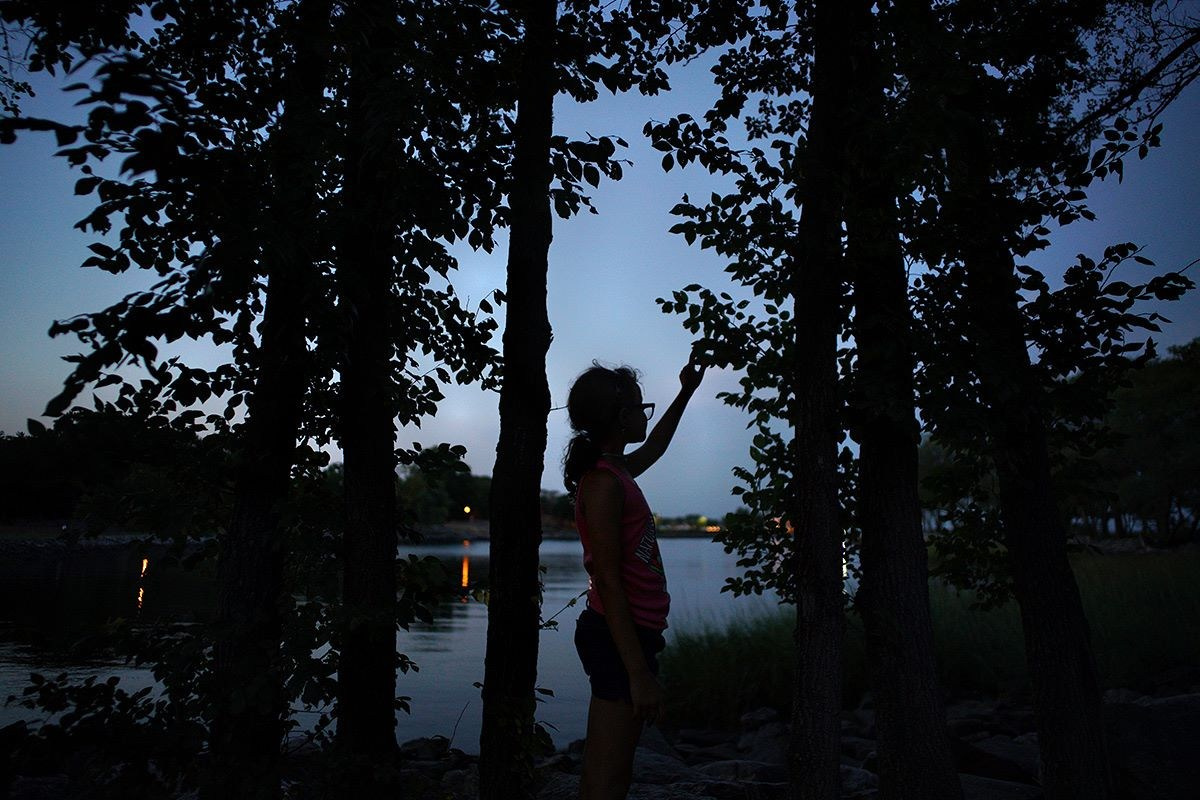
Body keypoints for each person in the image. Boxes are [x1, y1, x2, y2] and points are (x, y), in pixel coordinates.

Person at [563, 355, 706, 800]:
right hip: (616, 636)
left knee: (611, 772)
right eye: (642, 408)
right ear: (621, 417)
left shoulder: (616, 471)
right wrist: (639, 673)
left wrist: (686, 392)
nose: (646, 416)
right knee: (607, 778)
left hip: (627, 634)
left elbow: (656, 447)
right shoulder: (603, 484)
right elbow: (607, 580)